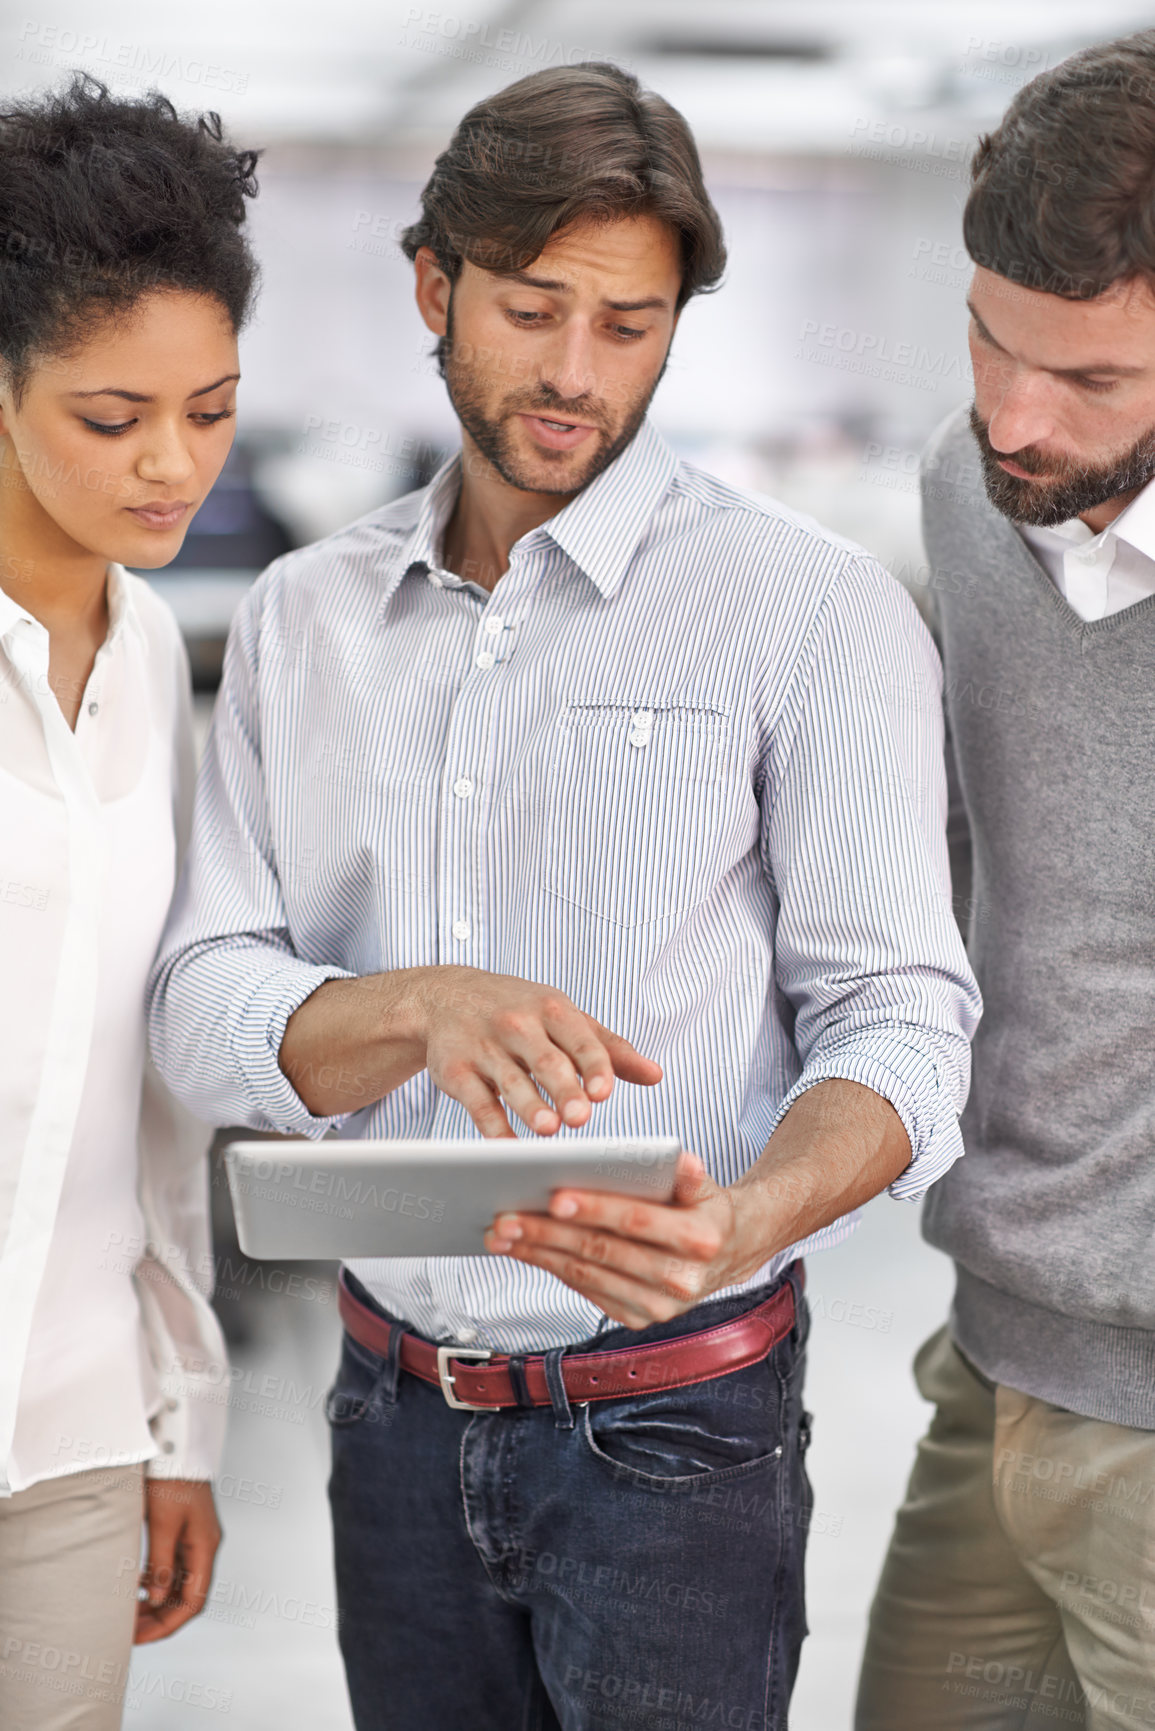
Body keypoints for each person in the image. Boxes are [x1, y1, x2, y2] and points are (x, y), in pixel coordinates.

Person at [149, 61, 979, 1731]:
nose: (579, 373)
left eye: (632, 323)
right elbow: (197, 997)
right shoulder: (308, 622)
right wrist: (398, 1010)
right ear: (432, 286)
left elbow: (904, 1018)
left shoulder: (807, 615)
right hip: (388, 1410)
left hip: (676, 1428)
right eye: (535, 312)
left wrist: (749, 1219)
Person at [855, 32, 1155, 1731]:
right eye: (987, 339)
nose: (1013, 417)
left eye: (1092, 382)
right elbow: (969, 867)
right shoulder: (964, 489)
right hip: (992, 1360)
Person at [0, 74, 259, 1729]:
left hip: (78, 1428)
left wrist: (185, 1415)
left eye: (213, 409)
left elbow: (151, 1077)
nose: (173, 466)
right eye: (113, 419)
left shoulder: (154, 649)